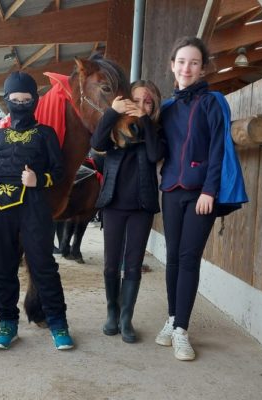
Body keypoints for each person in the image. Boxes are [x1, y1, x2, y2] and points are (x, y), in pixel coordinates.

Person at [155, 36, 247, 361]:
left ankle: (182, 330)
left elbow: (219, 147)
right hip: (170, 190)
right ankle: (171, 319)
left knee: (189, 257)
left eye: (194, 62)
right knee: (173, 258)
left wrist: (210, 189)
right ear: (172, 66)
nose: (187, 68)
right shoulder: (165, 107)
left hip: (200, 194)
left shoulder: (213, 101)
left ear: (202, 67)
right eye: (181, 61)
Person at [0, 71, 74, 351]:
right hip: (0, 211)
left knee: (44, 267)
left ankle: (58, 324)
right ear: (6, 100)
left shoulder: (46, 134)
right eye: (14, 99)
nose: (20, 104)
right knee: (2, 267)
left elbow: (59, 172)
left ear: (35, 100)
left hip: (34, 207)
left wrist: (39, 180)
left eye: (26, 99)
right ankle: (7, 324)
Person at [90, 80, 165, 343]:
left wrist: (145, 120)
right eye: (138, 100)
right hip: (113, 204)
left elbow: (156, 154)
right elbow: (96, 143)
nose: (143, 105)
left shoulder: (154, 131)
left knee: (132, 266)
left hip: (141, 208)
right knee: (111, 265)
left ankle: (126, 318)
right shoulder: (114, 128)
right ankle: (112, 312)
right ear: (127, 101)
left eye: (148, 101)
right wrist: (112, 112)